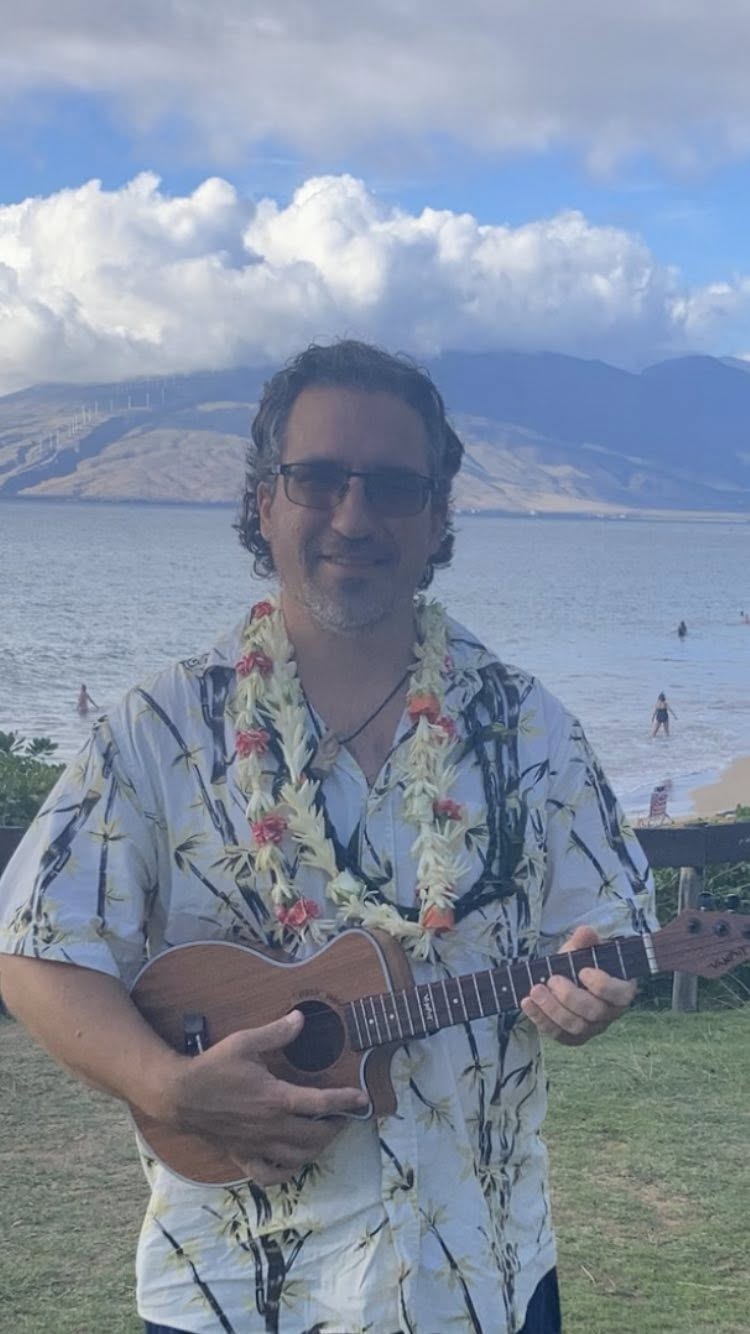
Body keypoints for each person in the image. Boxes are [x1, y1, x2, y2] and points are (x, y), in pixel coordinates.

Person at [0, 340, 656, 1334]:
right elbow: (35, 950)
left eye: (393, 486)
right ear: (265, 500)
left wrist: (600, 990)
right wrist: (166, 1086)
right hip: (233, 1287)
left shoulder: (531, 730)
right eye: (318, 479)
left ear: (438, 516)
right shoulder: (158, 728)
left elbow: (616, 925)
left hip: (479, 1274)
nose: (354, 517)